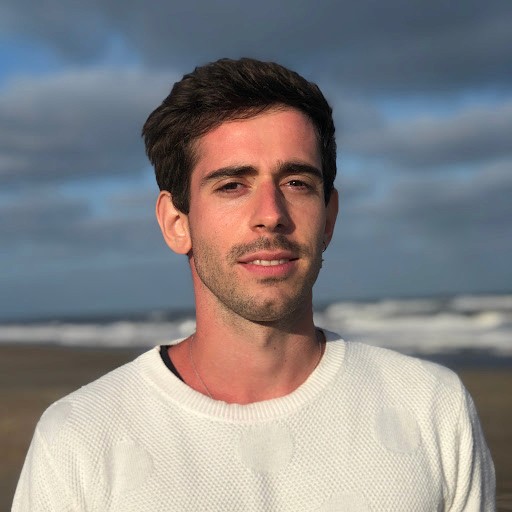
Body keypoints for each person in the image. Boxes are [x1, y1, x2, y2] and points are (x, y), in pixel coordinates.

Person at [13, 58, 495, 511]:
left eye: (297, 183)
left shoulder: (431, 407)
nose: (271, 215)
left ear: (329, 217)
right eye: (232, 185)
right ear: (177, 222)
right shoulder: (80, 437)